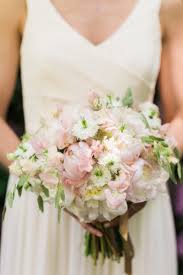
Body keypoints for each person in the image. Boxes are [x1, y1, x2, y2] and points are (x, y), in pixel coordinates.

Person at [0, 0, 183, 274]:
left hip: (135, 209)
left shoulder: (168, 5)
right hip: (43, 210)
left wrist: (137, 175)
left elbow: (180, 114)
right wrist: (48, 179)